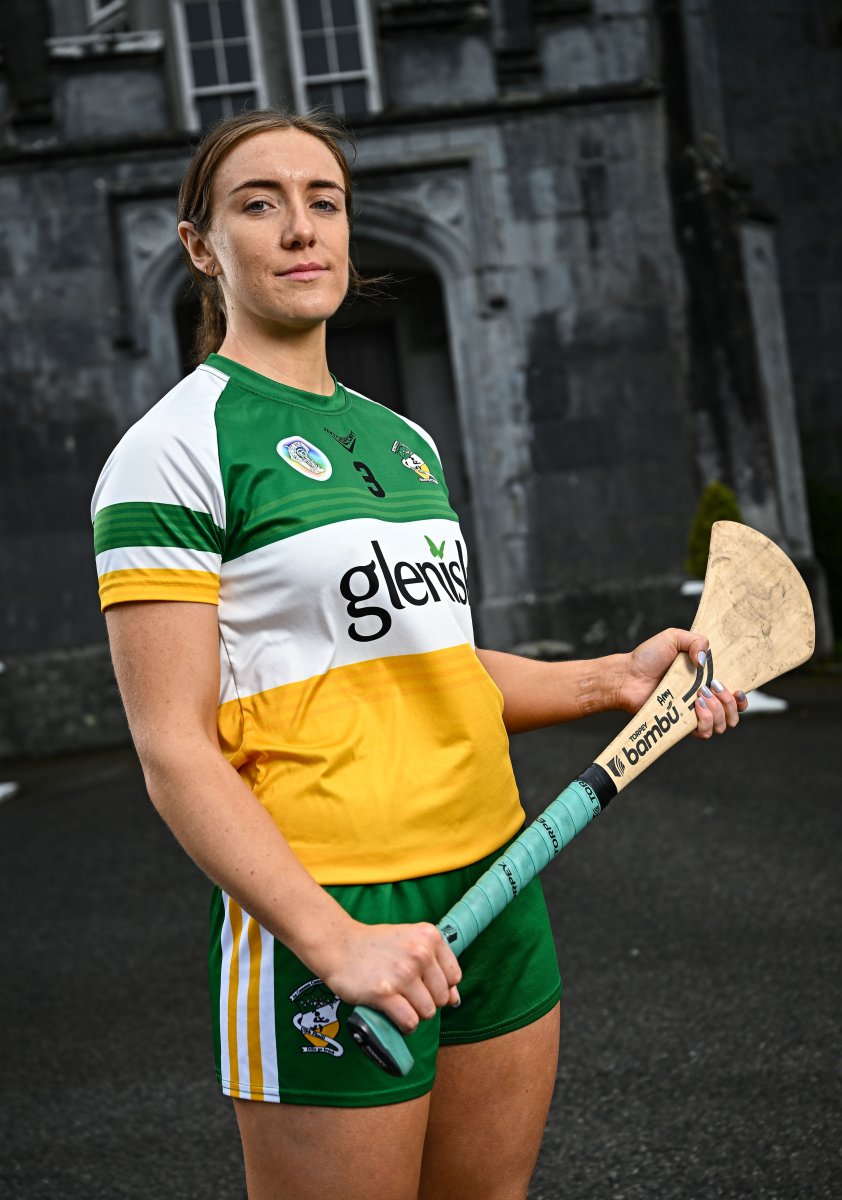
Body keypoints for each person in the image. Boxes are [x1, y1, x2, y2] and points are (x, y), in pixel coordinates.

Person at [91, 110, 747, 1200]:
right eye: (259, 204)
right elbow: (173, 749)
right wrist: (332, 939)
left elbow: (434, 668)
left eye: (324, 201)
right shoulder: (170, 451)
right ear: (201, 245)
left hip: (496, 876)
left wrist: (612, 681)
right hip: (331, 902)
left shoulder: (407, 443)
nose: (300, 228)